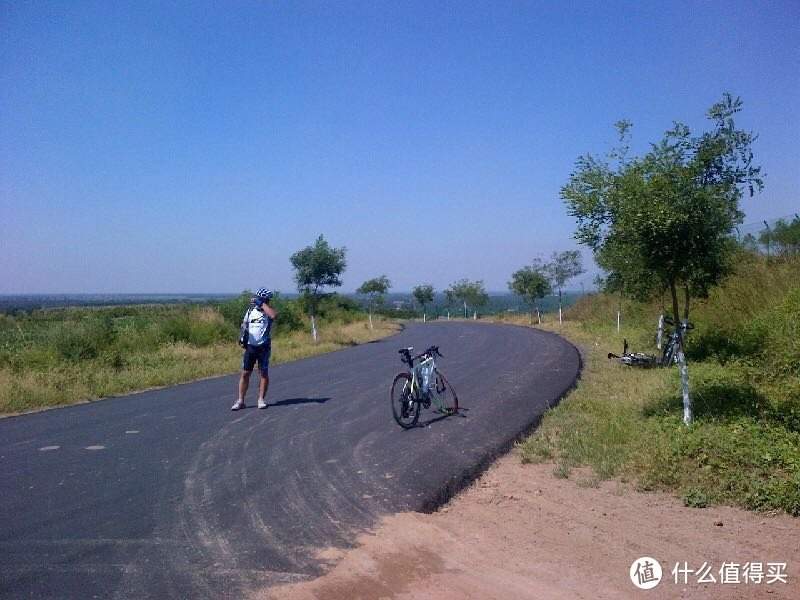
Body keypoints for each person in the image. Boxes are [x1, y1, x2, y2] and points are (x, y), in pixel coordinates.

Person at [232, 288, 277, 410]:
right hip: (250, 347)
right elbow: (244, 322)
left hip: (264, 347)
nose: (256, 299)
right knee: (245, 373)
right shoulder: (250, 310)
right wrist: (244, 328)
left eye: (260, 298)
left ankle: (261, 399)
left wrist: (260, 303)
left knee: (263, 373)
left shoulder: (268, 312)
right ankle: (241, 401)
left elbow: (273, 315)